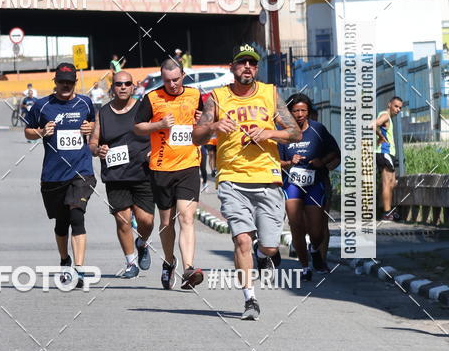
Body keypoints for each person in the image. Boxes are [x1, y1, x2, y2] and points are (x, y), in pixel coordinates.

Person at [193, 44, 301, 321]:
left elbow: (295, 133)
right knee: (242, 240)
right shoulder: (216, 98)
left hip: (268, 179)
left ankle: (264, 253)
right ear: (232, 68)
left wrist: (268, 133)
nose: (248, 68)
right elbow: (197, 137)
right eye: (242, 63)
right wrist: (214, 127)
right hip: (231, 179)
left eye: (252, 64)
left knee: (270, 246)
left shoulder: (270, 94)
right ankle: (250, 299)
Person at [24, 63, 96, 288]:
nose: (66, 85)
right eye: (62, 81)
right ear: (55, 82)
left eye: (70, 81)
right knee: (61, 221)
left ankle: (80, 269)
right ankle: (65, 260)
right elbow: (27, 131)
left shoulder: (85, 102)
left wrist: (89, 129)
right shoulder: (41, 105)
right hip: (53, 175)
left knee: (77, 216)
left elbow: (93, 122)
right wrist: (41, 132)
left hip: (81, 172)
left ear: (75, 82)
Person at [134, 58, 204, 290]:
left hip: (189, 166)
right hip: (161, 168)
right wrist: (159, 124)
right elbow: (138, 126)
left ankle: (188, 269)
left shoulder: (195, 95)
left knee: (186, 218)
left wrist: (201, 121)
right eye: (167, 81)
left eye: (175, 80)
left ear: (183, 75)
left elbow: (206, 123)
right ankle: (169, 261)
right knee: (166, 222)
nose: (172, 85)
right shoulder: (152, 98)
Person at [89, 71, 154, 278]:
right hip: (116, 175)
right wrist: (97, 150)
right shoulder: (103, 113)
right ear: (113, 87)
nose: (123, 87)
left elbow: (158, 131)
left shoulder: (144, 108)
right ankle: (130, 263)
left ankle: (142, 243)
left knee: (146, 221)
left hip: (143, 172)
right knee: (123, 220)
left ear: (133, 86)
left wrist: (155, 150)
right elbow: (92, 142)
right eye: (119, 84)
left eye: (127, 84)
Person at [278, 94, 341, 281]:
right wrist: (289, 161)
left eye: (303, 110)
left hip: (315, 183)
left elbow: (335, 152)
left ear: (308, 112)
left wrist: (321, 161)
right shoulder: (282, 133)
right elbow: (274, 161)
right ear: (289, 113)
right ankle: (305, 267)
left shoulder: (318, 129)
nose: (299, 114)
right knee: (296, 226)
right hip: (292, 185)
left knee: (316, 230)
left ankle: (314, 249)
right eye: (295, 110)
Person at [375, 96, 403, 221]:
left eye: (400, 108)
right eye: (396, 106)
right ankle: (386, 213)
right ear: (389, 104)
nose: (398, 109)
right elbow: (375, 124)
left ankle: (387, 209)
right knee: (387, 183)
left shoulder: (389, 118)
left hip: (388, 154)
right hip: (384, 152)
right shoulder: (385, 115)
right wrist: (381, 137)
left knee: (392, 183)